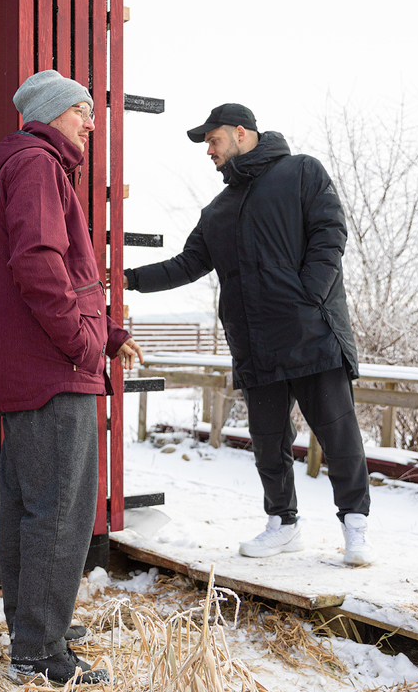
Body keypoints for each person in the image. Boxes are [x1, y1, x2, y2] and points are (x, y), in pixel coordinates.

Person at [122, 103, 376, 566]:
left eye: (213, 140)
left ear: (242, 133)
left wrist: (309, 296)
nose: (209, 151)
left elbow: (330, 231)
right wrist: (128, 278)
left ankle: (355, 526)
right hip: (255, 347)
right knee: (268, 444)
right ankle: (283, 524)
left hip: (311, 336)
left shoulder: (301, 172)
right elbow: (187, 264)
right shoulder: (219, 209)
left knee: (339, 436)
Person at [0, 69, 143, 685]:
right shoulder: (39, 165)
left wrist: (110, 336)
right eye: (81, 109)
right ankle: (41, 656)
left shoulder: (23, 166)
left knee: (30, 508)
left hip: (31, 369)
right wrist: (83, 344)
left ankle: (32, 628)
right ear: (51, 113)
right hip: (54, 369)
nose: (91, 120)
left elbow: (63, 278)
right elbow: (40, 266)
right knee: (60, 513)